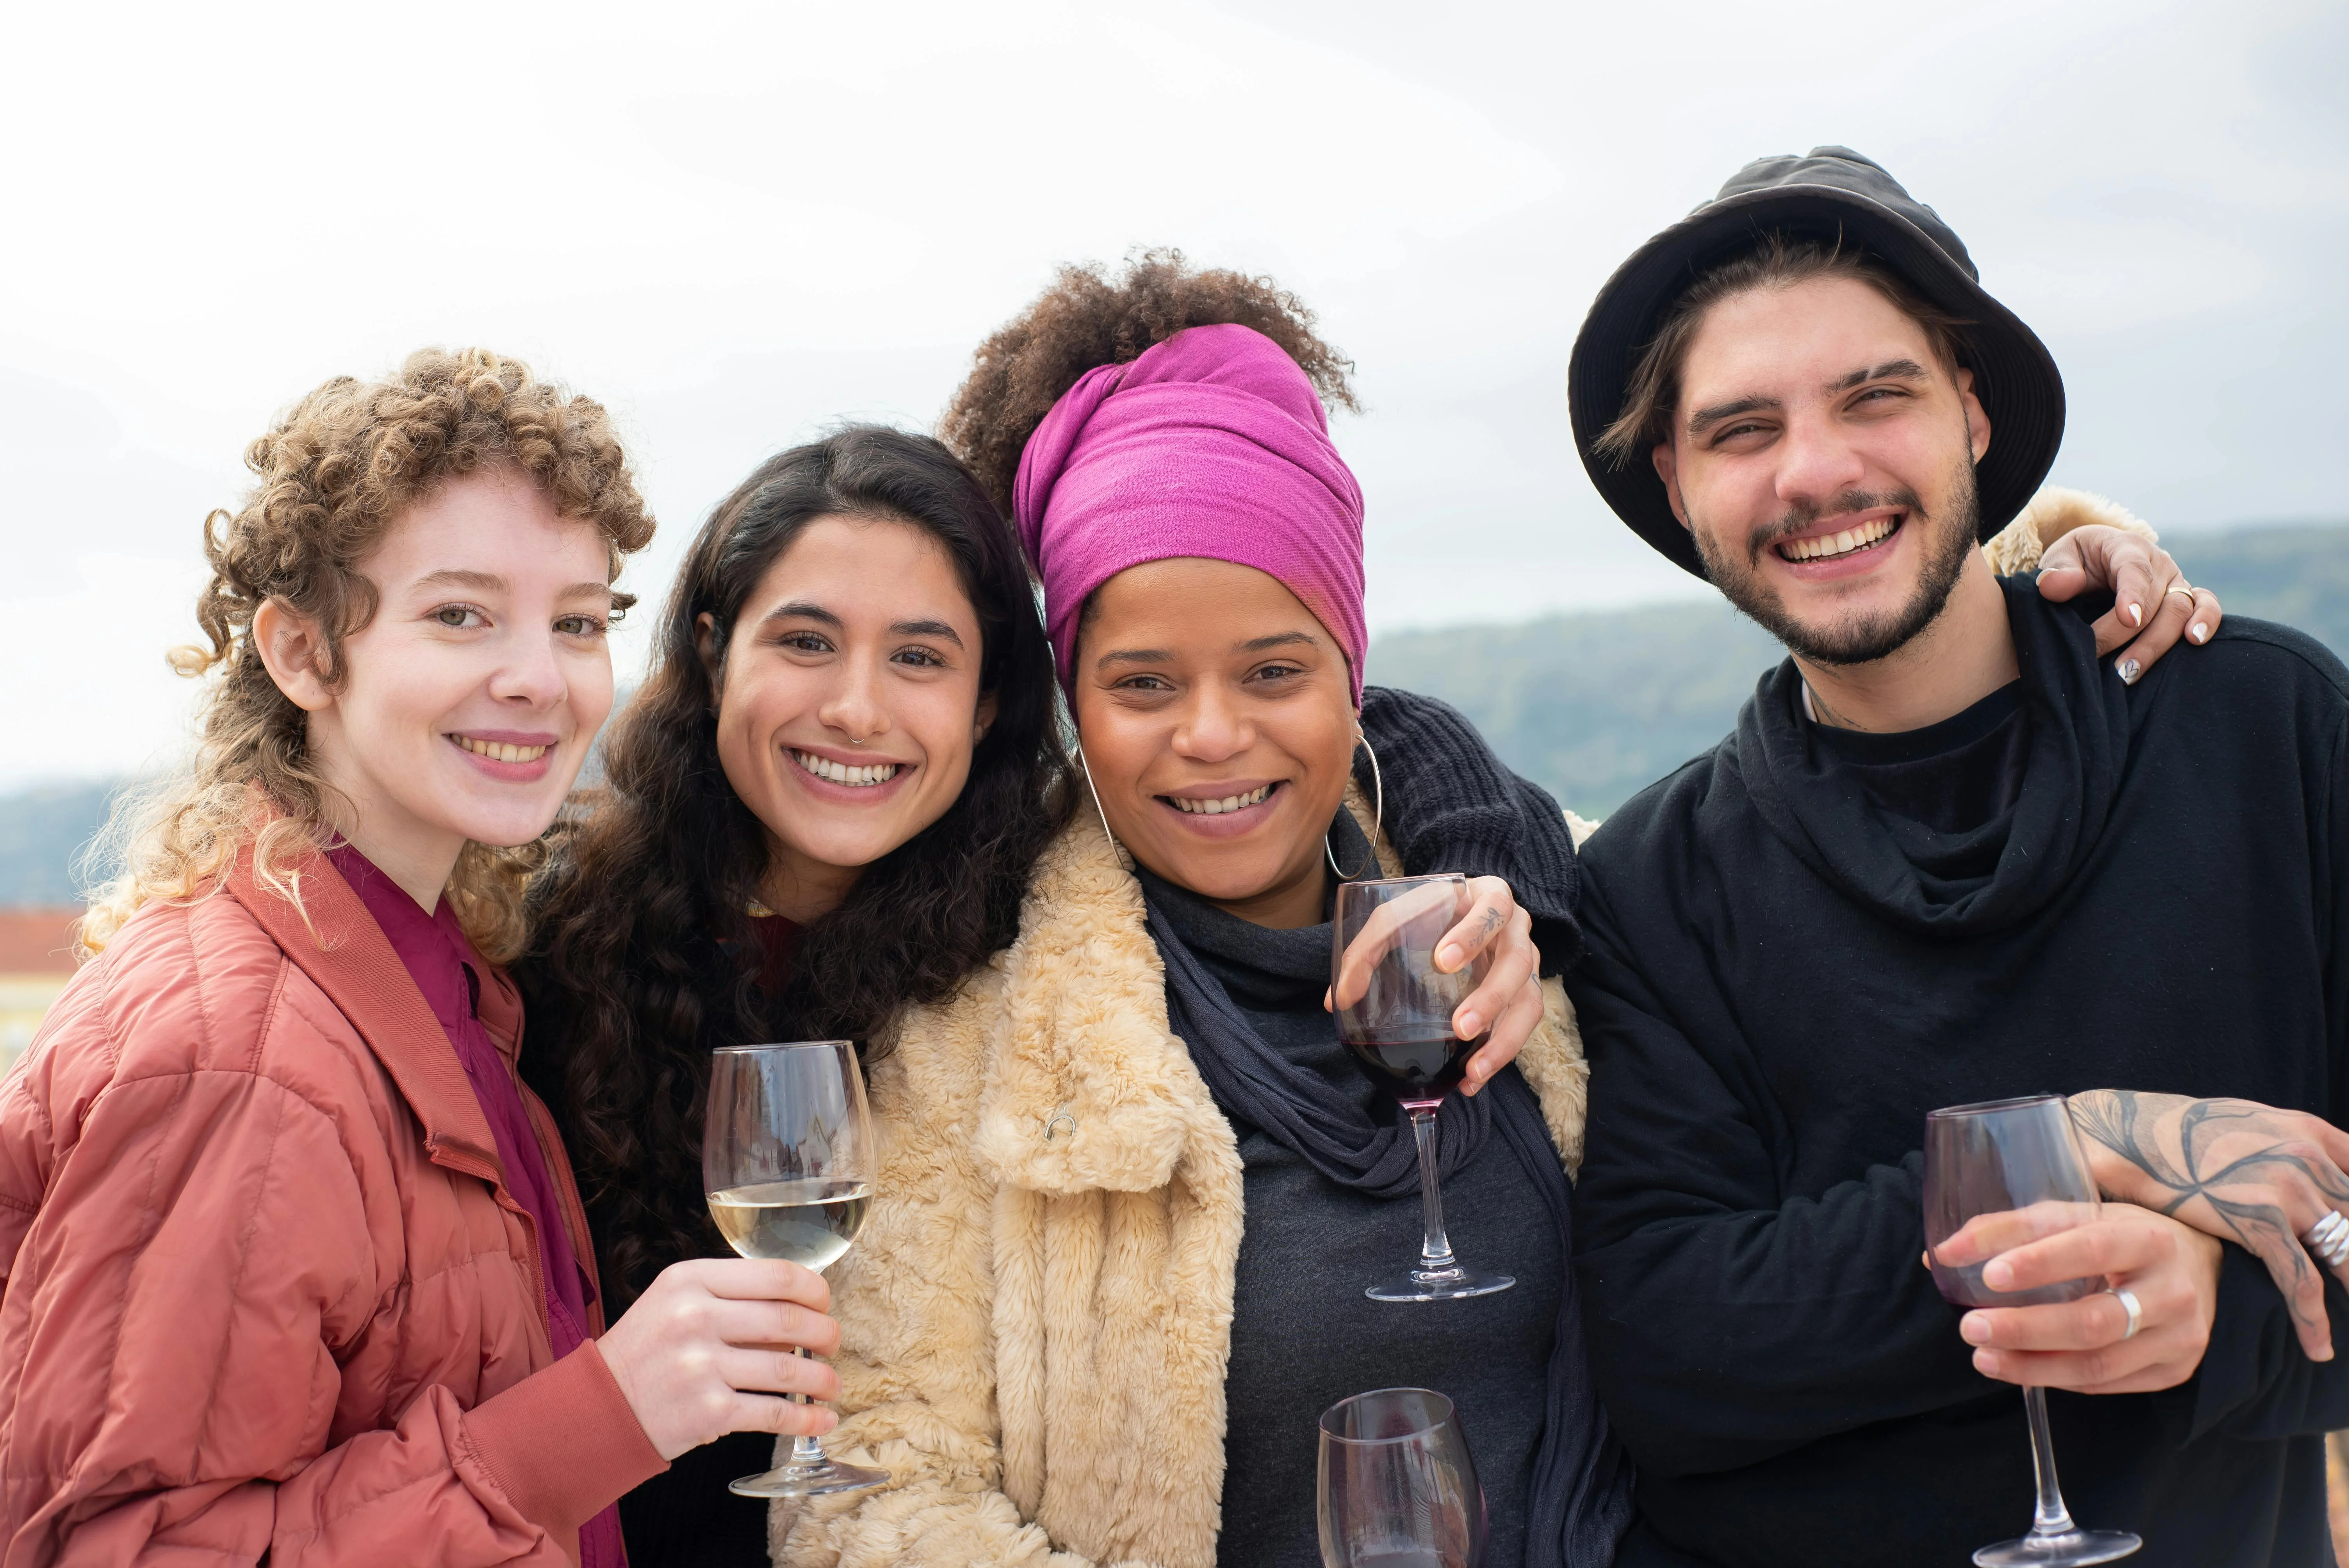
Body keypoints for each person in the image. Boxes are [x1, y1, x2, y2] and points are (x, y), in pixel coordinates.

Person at [768, 255, 2195, 1568]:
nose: (1212, 736)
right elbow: (874, 1490)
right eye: (1144, 684)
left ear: (1354, 676)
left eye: (1274, 672)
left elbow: (1880, 694)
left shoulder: (1555, 906)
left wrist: (2055, 563)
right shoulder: (975, 1037)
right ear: (1072, 703)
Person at [1562, 147, 2349, 1567]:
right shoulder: (1647, 884)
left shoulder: (2268, 731)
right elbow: (1667, 1346)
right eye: (1743, 430)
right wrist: (2082, 1147)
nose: (1818, 471)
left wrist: (2218, 1320)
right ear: (1678, 484)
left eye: (1877, 396)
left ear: (1973, 414)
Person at [0, 351, 841, 1566]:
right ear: (300, 653)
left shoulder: (439, 976)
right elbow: (125, 1548)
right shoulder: (241, 1064)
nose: (540, 679)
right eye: (461, 614)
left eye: (578, 622)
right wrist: (602, 1419)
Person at [519, 425, 1071, 1566]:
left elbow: (1327, 764)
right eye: (808, 642)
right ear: (716, 655)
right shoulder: (545, 950)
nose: (857, 709)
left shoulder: (1052, 949)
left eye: (920, 658)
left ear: (984, 703)